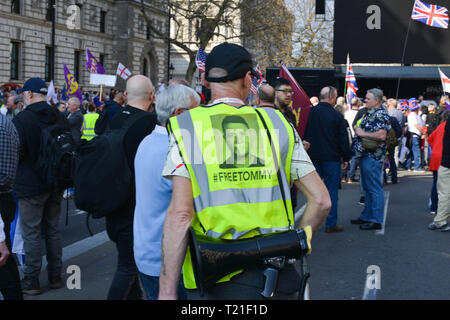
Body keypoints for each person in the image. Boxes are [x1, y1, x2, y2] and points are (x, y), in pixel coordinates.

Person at [158, 42, 331, 300]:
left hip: (216, 277)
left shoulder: (187, 127)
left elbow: (181, 215)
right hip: (276, 277)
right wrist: (296, 245)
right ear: (248, 79)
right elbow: (321, 201)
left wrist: (167, 291)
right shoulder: (278, 124)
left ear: (205, 79)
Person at [134, 84, 200, 300]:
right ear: (179, 114)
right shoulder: (177, 150)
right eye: (197, 111)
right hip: (170, 261)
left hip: (147, 251)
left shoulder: (147, 141)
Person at [12, 78, 70, 295]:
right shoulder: (59, 115)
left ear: (28, 95)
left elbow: (18, 151)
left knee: (32, 232)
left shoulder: (23, 119)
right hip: (55, 181)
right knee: (53, 229)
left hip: (30, 183)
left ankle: (32, 279)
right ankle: (55, 275)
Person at [105, 75, 157, 300]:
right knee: (128, 267)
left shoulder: (113, 118)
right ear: (152, 96)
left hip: (112, 201)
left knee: (129, 266)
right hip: (134, 207)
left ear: (126, 95)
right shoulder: (148, 123)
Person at [303, 86, 350, 233]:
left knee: (312, 193)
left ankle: (309, 224)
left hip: (313, 157)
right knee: (331, 192)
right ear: (332, 98)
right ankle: (331, 223)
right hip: (331, 158)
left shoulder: (310, 112)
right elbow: (343, 139)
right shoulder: (337, 116)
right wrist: (345, 157)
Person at [350, 89, 391, 230]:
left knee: (374, 188)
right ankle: (367, 216)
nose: (365, 100)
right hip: (366, 155)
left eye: (368, 99)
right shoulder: (372, 112)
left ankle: (376, 219)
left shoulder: (380, 114)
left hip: (372, 156)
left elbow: (382, 135)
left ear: (377, 101)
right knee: (368, 188)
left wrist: (361, 132)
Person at [0, 111, 22, 300]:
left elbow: (4, 175)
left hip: (1, 197)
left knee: (3, 261)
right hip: (4, 196)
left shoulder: (1, 126)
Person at [428, 115, 450, 232]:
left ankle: (440, 220)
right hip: (443, 158)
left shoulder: (443, 125)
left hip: (445, 160)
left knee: (443, 191)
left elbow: (430, 139)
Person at [406, 98, 426, 172]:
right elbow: (416, 125)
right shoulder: (413, 115)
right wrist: (423, 132)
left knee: (412, 151)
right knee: (416, 152)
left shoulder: (415, 115)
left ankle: (407, 165)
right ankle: (417, 167)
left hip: (415, 135)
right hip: (414, 135)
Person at [346, 97, 362, 183]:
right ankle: (351, 176)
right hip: (355, 137)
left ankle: (344, 176)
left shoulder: (346, 113)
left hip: (348, 136)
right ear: (359, 104)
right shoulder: (360, 113)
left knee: (347, 158)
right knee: (354, 158)